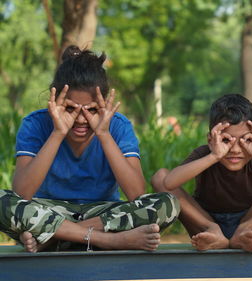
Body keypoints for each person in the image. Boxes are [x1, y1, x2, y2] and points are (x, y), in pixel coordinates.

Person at [0, 46, 179, 253]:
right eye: (70, 109)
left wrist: (103, 133)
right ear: (55, 101)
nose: (82, 119)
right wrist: (57, 132)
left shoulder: (118, 126)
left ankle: (56, 237)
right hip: (49, 210)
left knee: (167, 203)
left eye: (92, 110)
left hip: (102, 214)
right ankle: (107, 241)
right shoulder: (35, 123)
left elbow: (136, 194)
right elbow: (22, 193)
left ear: (104, 104)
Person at [151, 94, 252, 252]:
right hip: (205, 227)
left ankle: (242, 233)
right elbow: (168, 183)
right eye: (226, 140)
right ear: (211, 139)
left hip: (249, 227)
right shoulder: (205, 154)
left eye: (245, 140)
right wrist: (214, 156)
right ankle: (214, 232)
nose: (235, 150)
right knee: (160, 177)